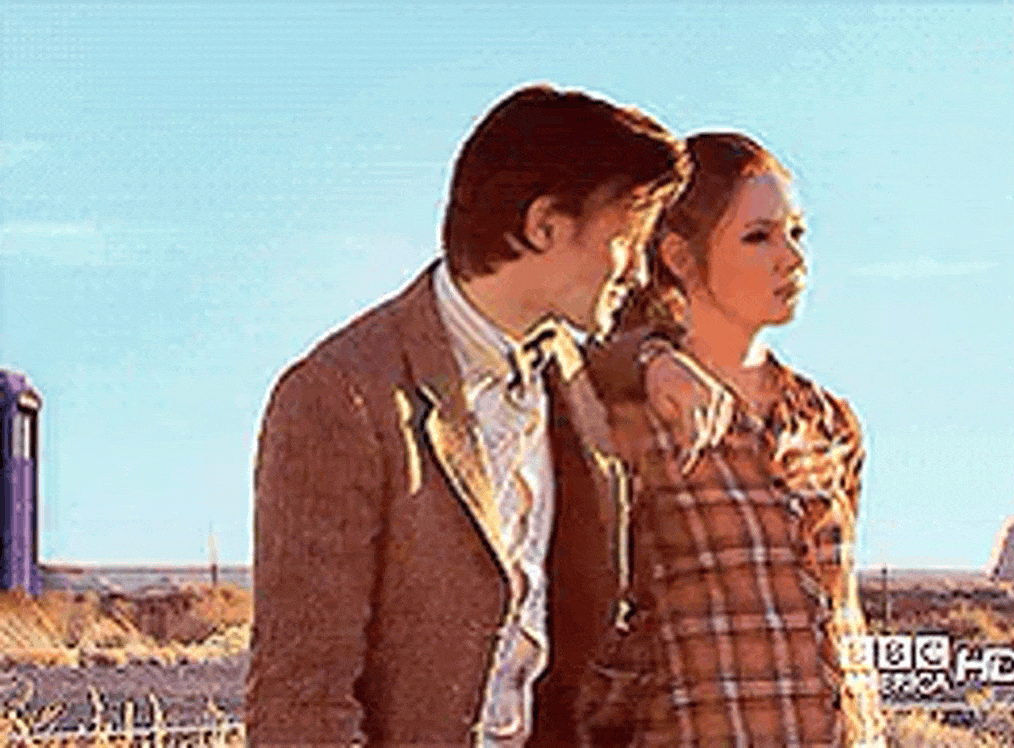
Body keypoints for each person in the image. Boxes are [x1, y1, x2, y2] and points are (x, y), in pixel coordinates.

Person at [245, 83, 687, 747]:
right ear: (544, 226)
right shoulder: (342, 397)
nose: (640, 269)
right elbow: (302, 699)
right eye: (627, 237)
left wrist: (658, 359)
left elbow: (630, 343)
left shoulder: (571, 371)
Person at [579, 132, 885, 747]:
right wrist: (643, 359)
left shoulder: (829, 421)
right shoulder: (625, 410)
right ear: (679, 256)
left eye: (797, 232)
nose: (792, 259)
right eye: (758, 237)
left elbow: (842, 616)